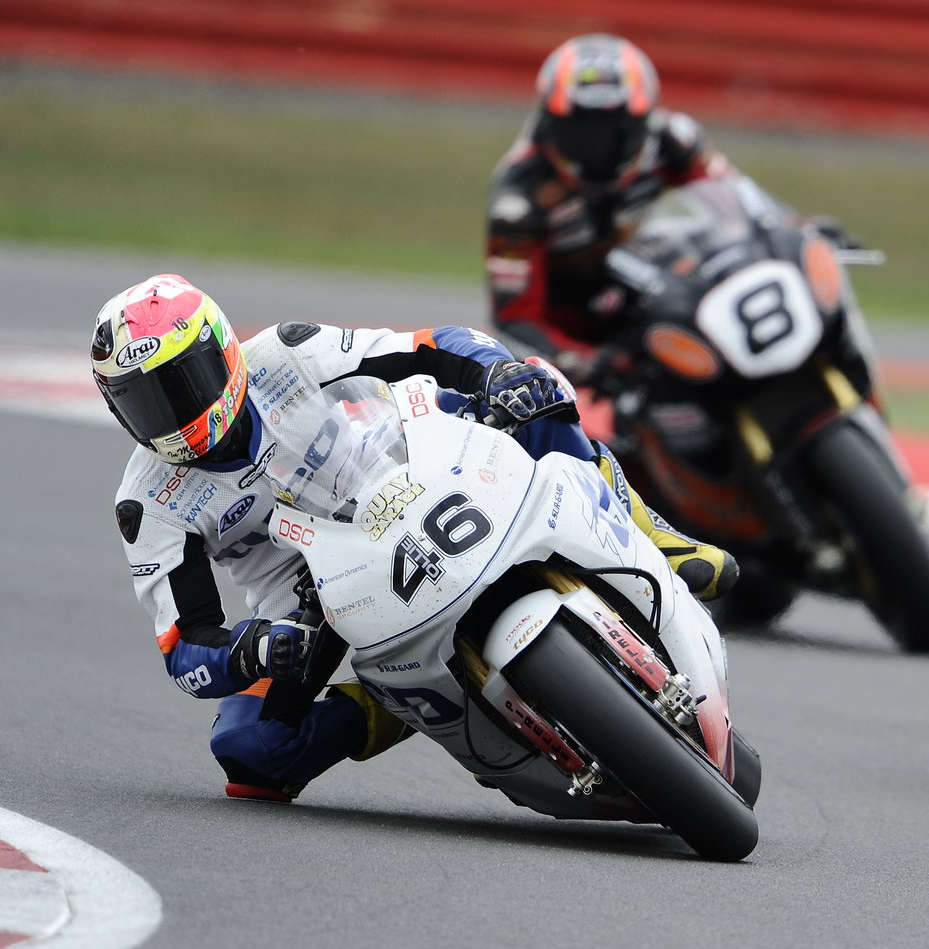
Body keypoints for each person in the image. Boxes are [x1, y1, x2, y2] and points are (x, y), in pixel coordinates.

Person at [92, 273, 735, 803]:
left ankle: (650, 535)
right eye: (146, 402)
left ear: (223, 353)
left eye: (183, 384)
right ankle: (402, 701)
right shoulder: (149, 504)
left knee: (538, 394)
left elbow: (430, 344)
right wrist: (252, 652)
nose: (175, 415)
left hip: (408, 470)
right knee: (249, 753)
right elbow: (185, 651)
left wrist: (495, 373)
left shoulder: (287, 353)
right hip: (320, 594)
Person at [483, 32, 862, 384]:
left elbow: (736, 200)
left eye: (616, 131)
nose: (598, 148)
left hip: (655, 291)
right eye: (581, 131)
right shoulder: (517, 201)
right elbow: (514, 321)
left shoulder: (675, 141)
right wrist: (584, 361)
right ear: (550, 121)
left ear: (644, 121)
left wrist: (794, 229)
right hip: (584, 334)